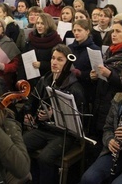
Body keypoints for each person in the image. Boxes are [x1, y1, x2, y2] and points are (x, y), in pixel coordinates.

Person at [22, 44, 85, 184]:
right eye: (53, 58)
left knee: (45, 158)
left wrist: (53, 114)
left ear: (68, 64)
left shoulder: (75, 87)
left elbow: (78, 120)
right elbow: (32, 99)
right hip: (44, 128)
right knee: (19, 145)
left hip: (64, 134)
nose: (54, 62)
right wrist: (28, 113)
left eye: (60, 60)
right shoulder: (45, 79)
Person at [18, 13, 62, 88]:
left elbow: (59, 64)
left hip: (46, 79)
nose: (39, 26)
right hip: (29, 79)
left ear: (49, 25)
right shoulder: (31, 39)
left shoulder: (56, 41)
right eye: (37, 23)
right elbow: (23, 59)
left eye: (42, 23)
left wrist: (41, 65)